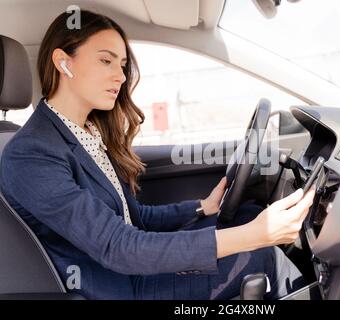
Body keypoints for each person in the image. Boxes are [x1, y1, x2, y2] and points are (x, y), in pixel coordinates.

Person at [0, 9, 315, 300]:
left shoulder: (87, 133)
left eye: (122, 65)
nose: (121, 77)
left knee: (245, 214)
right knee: (264, 256)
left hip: (131, 271)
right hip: (120, 288)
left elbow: (135, 217)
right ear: (63, 62)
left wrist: (202, 207)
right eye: (106, 61)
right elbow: (119, 247)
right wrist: (252, 236)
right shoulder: (31, 153)